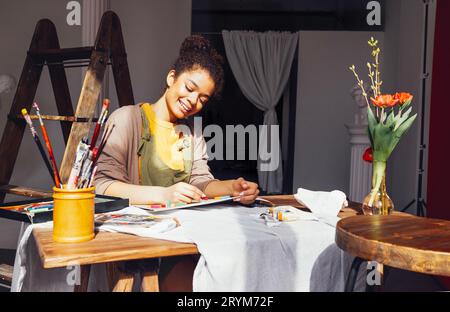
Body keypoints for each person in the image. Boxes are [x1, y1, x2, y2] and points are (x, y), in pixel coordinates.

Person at [94, 35, 259, 207]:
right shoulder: (125, 119)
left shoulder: (193, 133)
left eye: (203, 99)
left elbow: (199, 182)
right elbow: (102, 185)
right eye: (189, 88)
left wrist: (233, 187)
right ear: (171, 78)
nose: (193, 101)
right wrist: (164, 194)